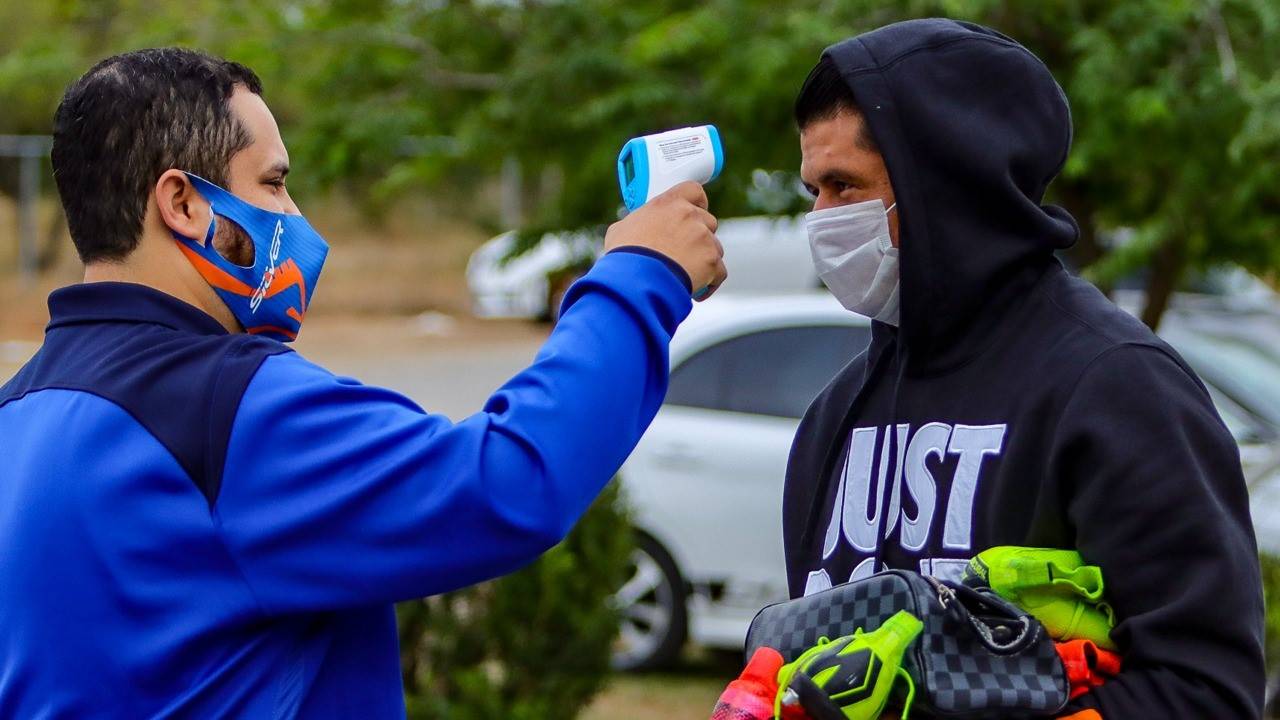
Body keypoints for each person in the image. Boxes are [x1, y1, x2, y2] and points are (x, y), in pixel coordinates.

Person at [0, 48, 725, 718]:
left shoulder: (18, 413)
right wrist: (642, 273)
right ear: (183, 204)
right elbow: (508, 483)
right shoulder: (225, 407)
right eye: (273, 183)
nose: (294, 216)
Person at [780, 18, 1264, 717]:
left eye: (843, 185)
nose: (822, 221)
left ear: (943, 186)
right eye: (813, 192)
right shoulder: (834, 417)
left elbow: (1204, 690)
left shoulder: (1116, 387)